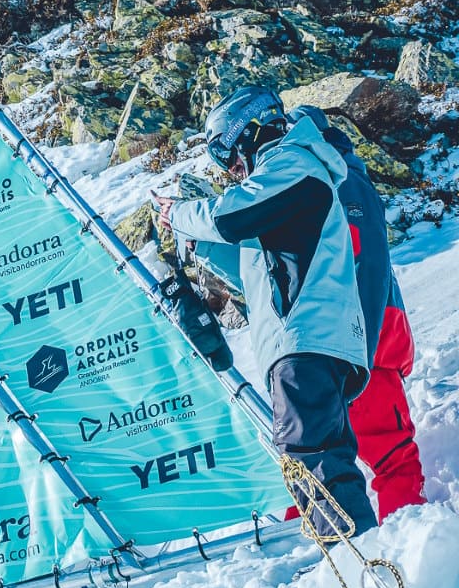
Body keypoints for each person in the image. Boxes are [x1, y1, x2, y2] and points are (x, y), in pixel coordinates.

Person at [155, 85, 378, 538]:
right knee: (318, 456)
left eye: (227, 154)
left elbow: (229, 215)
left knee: (312, 456)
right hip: (306, 337)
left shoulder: (293, 164)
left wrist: (179, 213)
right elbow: (258, 269)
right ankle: (355, 557)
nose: (232, 169)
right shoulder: (288, 179)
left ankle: (357, 559)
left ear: (249, 131)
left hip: (306, 337)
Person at [286, 105, 428, 522]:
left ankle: (311, 557)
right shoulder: (345, 180)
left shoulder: (326, 183)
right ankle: (405, 539)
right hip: (362, 348)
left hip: (346, 347)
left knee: (316, 462)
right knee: (387, 456)